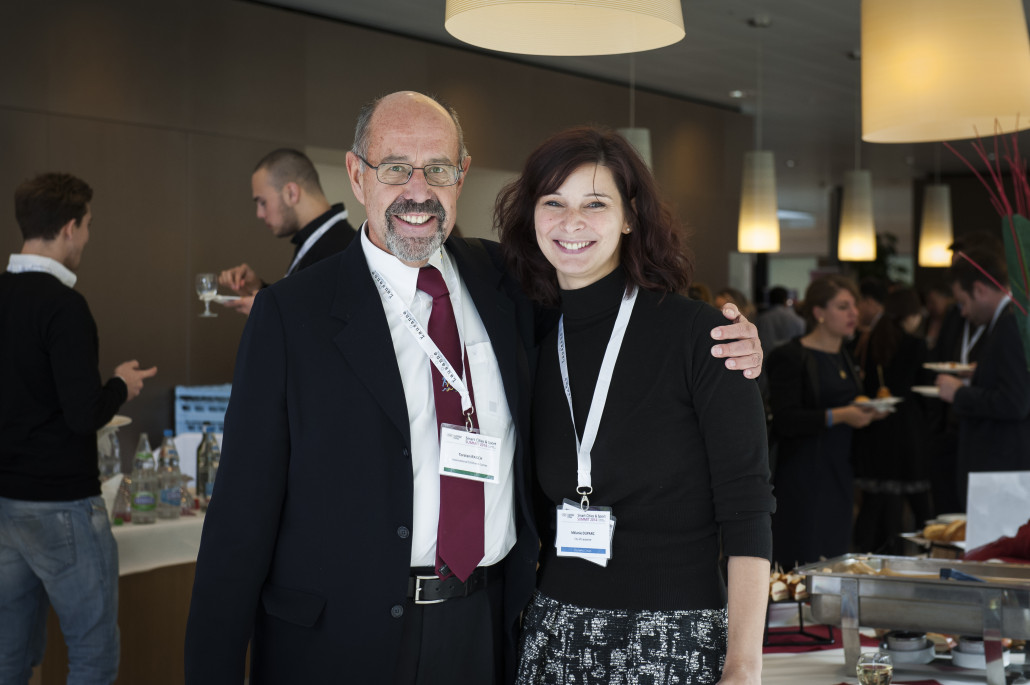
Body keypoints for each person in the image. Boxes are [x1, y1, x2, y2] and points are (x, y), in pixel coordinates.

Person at [184, 92, 765, 685]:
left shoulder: (505, 284)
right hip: (340, 641)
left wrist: (732, 342)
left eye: (437, 169)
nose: (418, 190)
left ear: (461, 175)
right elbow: (239, 521)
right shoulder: (292, 315)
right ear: (357, 176)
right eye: (395, 168)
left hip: (486, 629)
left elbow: (613, 326)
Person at [497, 126, 774, 685]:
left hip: (672, 640)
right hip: (554, 637)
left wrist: (744, 664)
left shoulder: (703, 338)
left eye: (595, 204)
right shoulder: (530, 339)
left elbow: (748, 510)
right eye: (553, 202)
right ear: (532, 216)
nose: (571, 222)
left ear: (629, 217)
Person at [0, 173, 157, 684]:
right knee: (92, 656)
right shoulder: (64, 306)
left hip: (5, 505)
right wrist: (120, 385)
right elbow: (84, 413)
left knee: (8, 656)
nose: (87, 237)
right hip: (62, 504)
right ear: (69, 227)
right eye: (87, 226)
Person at [767, 275, 886, 569]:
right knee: (802, 559)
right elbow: (785, 419)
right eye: (843, 307)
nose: (854, 313)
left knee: (834, 559)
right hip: (803, 475)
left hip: (840, 473)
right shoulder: (791, 356)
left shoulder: (845, 355)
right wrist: (842, 415)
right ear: (819, 312)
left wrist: (867, 409)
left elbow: (847, 401)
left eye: (854, 306)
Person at [936, 248, 1030, 508]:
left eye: (963, 302)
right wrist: (981, 373)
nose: (963, 312)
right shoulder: (1011, 318)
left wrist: (959, 393)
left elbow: (1015, 402)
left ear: (979, 290)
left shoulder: (1010, 324)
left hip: (1003, 472)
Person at [217, 148, 357, 316]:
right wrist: (259, 288)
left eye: (262, 202)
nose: (259, 214)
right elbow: (303, 303)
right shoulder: (315, 241)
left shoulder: (344, 251)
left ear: (291, 193)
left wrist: (268, 311)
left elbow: (329, 325)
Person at [851, 287, 932, 555]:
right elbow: (925, 393)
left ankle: (869, 553)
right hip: (908, 430)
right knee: (919, 504)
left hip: (875, 427)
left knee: (875, 502)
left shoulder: (871, 340)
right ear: (911, 315)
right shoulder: (916, 345)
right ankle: (926, 554)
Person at [756, 285, 804, 353]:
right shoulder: (798, 320)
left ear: (769, 300)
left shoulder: (761, 319)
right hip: (791, 357)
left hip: (766, 358)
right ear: (785, 300)